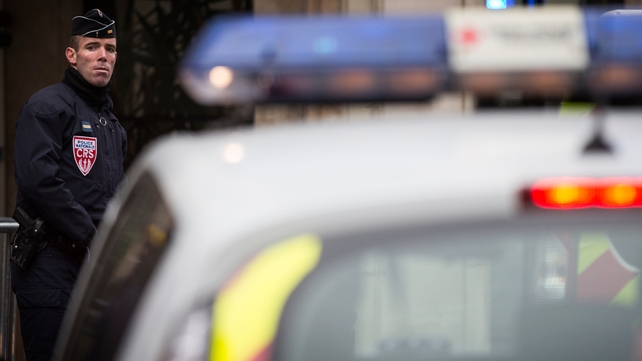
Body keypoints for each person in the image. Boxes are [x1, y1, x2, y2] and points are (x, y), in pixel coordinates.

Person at [11, 9, 126, 361]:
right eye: (93, 47)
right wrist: (91, 234)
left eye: (110, 48)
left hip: (93, 271)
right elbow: (38, 180)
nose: (103, 56)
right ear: (72, 55)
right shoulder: (47, 107)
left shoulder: (110, 124)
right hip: (51, 265)